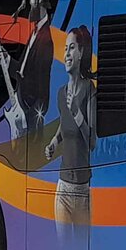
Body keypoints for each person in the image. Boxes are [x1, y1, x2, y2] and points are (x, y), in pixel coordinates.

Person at [45, 26, 97, 238]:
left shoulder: (89, 90)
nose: (66, 54)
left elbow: (91, 141)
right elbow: (63, 125)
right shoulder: (61, 94)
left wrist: (77, 112)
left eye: (72, 48)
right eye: (65, 49)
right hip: (63, 187)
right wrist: (53, 142)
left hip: (82, 190)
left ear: (81, 52)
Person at [0, 0, 55, 139]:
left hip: (29, 127)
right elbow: (22, 72)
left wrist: (28, 125)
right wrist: (6, 58)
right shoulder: (35, 33)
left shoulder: (45, 40)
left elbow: (42, 94)